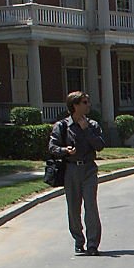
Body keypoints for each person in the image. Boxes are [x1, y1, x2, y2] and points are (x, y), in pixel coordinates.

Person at [49, 91, 105, 255]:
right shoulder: (62, 126)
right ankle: (78, 240)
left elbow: (100, 145)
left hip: (89, 169)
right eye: (85, 102)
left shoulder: (92, 125)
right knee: (73, 208)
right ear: (75, 105)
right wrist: (64, 150)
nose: (88, 105)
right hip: (71, 169)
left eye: (88, 102)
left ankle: (93, 244)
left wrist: (86, 130)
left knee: (91, 206)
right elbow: (52, 147)